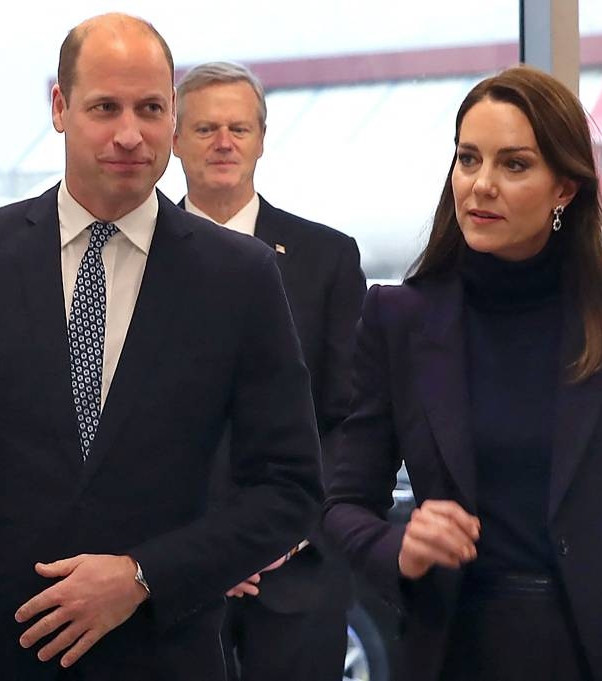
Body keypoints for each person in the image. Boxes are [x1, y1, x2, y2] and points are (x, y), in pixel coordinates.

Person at [0, 13, 322, 681]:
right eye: (105, 107)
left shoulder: (239, 276)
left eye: (150, 109)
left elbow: (288, 489)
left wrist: (144, 575)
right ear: (60, 107)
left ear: (173, 117)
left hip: (161, 657)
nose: (130, 133)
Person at [323, 65, 602, 681]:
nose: (481, 184)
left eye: (513, 165)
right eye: (468, 159)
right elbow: (345, 503)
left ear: (564, 188)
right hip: (456, 649)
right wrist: (398, 547)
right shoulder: (398, 317)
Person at [172, 61, 366, 681]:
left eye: (238, 128)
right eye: (205, 129)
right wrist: (202, 547)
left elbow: (351, 417)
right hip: (168, 574)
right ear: (174, 141)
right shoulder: (132, 256)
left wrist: (278, 531)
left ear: (261, 139)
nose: (223, 143)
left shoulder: (328, 258)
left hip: (297, 569)